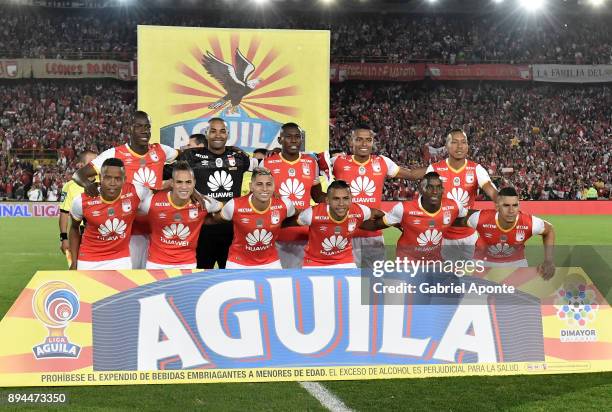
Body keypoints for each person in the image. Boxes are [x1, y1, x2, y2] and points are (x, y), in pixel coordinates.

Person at [72, 111, 179, 269]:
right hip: (129, 234)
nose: (144, 131)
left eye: (147, 127)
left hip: (157, 231)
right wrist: (88, 185)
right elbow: (78, 174)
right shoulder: (113, 154)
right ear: (129, 129)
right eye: (139, 126)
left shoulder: (161, 151)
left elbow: (184, 156)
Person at [331, 124, 426, 267]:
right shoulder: (337, 162)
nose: (364, 144)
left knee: (375, 283)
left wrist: (437, 168)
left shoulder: (382, 162)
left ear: (373, 142)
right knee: (348, 284)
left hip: (373, 236)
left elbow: (411, 174)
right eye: (359, 139)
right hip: (344, 237)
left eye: (368, 140)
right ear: (351, 142)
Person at [177, 117, 260, 269]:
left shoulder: (239, 157)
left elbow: (263, 168)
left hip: (233, 230)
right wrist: (191, 191)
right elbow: (172, 177)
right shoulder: (191, 156)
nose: (218, 135)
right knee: (201, 277)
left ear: (227, 135)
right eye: (213, 131)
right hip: (202, 229)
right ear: (206, 134)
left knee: (231, 278)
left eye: (222, 131)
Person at [426, 128, 498, 260]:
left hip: (469, 237)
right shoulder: (434, 169)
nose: (459, 146)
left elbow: (489, 187)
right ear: (446, 146)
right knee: (443, 278)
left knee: (473, 277)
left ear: (467, 146)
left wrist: (498, 199)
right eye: (454, 142)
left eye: (463, 142)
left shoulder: (476, 169)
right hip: (442, 238)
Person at [364, 172, 467, 262]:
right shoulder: (403, 209)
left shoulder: (454, 206)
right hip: (407, 263)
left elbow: (468, 219)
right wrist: (354, 221)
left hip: (435, 263)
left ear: (443, 189)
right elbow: (375, 225)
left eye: (439, 187)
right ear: (421, 189)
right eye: (430, 187)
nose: (435, 191)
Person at [207, 167, 295, 269]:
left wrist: (280, 223)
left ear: (274, 186)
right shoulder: (234, 205)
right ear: (251, 186)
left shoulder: (285, 204)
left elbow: (297, 216)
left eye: (269, 184)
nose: (265, 189)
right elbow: (213, 220)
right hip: (238, 263)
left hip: (271, 263)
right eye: (259, 184)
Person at [264, 122, 325, 268]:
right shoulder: (267, 163)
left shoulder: (311, 163)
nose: (293, 140)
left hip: (303, 235)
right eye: (288, 137)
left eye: (297, 137)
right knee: (277, 282)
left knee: (301, 284)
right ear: (280, 140)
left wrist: (335, 199)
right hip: (275, 235)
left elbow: (317, 196)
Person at [139, 161, 221, 269]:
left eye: (188, 182)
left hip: (187, 264)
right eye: (179, 182)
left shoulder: (203, 202)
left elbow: (224, 209)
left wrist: (209, 220)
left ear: (194, 183)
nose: (184, 187)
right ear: (172, 183)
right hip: (156, 264)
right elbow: (133, 205)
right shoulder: (152, 202)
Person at [69, 158, 147, 270]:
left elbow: (157, 198)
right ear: (100, 178)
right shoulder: (81, 201)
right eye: (107, 178)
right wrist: (74, 262)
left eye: (117, 179)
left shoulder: (136, 192)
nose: (112, 183)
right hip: (88, 260)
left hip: (120, 260)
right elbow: (74, 229)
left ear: (124, 180)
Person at [462, 186, 555, 279]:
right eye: (506, 205)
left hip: (516, 263)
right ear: (497, 206)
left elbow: (549, 230)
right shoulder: (480, 218)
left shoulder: (529, 222)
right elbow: (456, 219)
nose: (511, 210)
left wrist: (549, 260)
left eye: (515, 205)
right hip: (482, 263)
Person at [283, 180, 377, 268]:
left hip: (345, 262)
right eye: (336, 199)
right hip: (314, 263)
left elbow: (378, 214)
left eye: (345, 198)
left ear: (351, 199)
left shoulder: (359, 210)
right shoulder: (312, 214)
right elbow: (285, 223)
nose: (341, 203)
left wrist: (389, 220)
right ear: (327, 200)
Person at [58, 150, 97, 266]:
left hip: (98, 236)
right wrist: (64, 238)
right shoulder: (70, 186)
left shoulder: (105, 182)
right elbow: (64, 213)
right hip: (78, 238)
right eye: (92, 162)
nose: (95, 165)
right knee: (77, 270)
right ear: (81, 165)